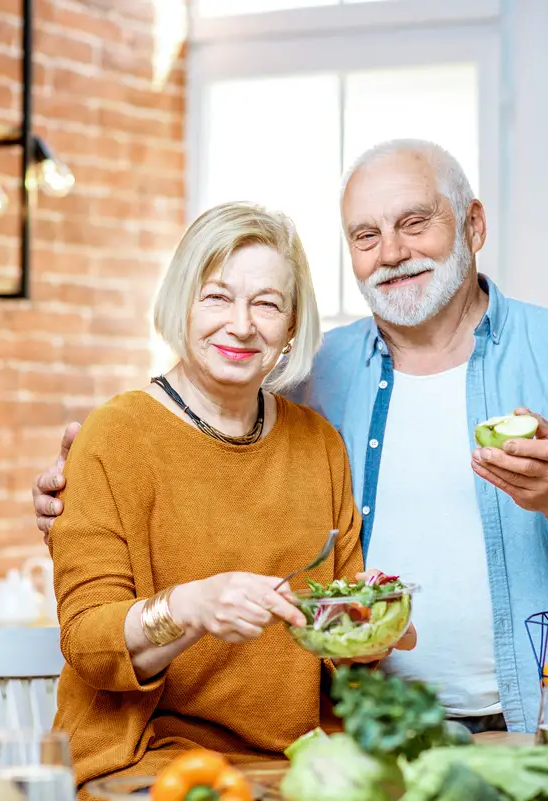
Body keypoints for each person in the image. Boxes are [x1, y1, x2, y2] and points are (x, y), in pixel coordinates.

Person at [35, 139, 548, 734]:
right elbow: (199, 441)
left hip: (538, 714)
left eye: (415, 223)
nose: (391, 252)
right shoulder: (319, 374)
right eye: (367, 235)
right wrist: (85, 493)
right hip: (371, 725)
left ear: (473, 226)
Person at [44, 200, 415, 794]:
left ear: (291, 327)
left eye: (267, 304)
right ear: (180, 303)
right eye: (216, 296)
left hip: (296, 763)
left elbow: (338, 644)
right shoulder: (113, 436)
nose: (241, 325)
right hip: (143, 764)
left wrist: (374, 621)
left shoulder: (317, 443)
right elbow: (89, 642)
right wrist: (189, 608)